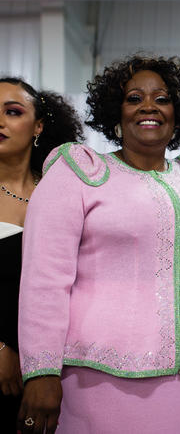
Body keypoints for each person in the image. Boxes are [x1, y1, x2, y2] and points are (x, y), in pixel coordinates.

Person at [16, 56, 180, 434]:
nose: (149, 106)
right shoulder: (80, 173)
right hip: (94, 377)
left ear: (179, 114)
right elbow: (44, 277)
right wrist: (40, 371)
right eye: (134, 98)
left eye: (162, 99)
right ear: (116, 112)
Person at [0, 77, 83, 433]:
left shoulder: (63, 190)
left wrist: (44, 363)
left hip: (56, 366)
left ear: (38, 126)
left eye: (13, 112)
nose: (0, 121)